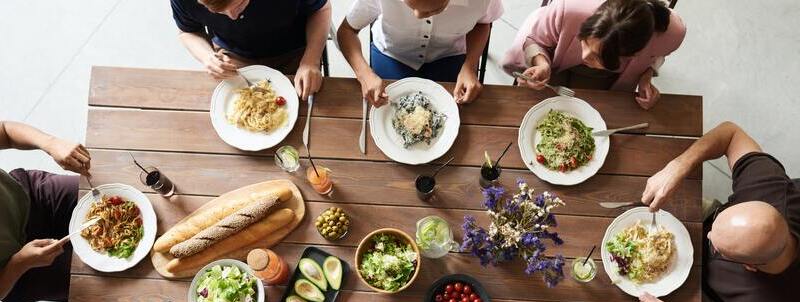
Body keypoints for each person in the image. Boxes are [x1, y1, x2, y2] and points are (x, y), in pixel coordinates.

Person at [637, 121, 800, 302]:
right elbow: (730, 133)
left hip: (709, 294)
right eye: (715, 229)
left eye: (716, 244)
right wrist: (678, 166)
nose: (706, 234)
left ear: (749, 266)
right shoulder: (769, 187)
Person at [503, 0, 685, 109]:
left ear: (632, 55)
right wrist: (541, 63)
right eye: (584, 41)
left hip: (610, 81)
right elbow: (536, 39)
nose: (584, 56)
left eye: (598, 57)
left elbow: (656, 57)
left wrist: (646, 77)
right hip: (555, 59)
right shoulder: (571, 8)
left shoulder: (671, 34)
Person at [337, 0, 504, 107]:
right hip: (391, 54)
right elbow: (347, 31)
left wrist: (470, 66)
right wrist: (364, 74)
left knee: (459, 115)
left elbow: (483, 24)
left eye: (434, 9)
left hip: (449, 56)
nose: (417, 16)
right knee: (381, 113)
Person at [0, 120, 89, 302]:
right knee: (105, 282)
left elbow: (5, 132)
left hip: (30, 195)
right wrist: (20, 263)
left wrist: (50, 143)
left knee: (114, 200)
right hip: (16, 270)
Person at [170, 0, 332, 100]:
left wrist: (311, 60)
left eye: (239, 4)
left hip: (294, 51)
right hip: (233, 56)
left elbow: (321, 9)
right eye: (218, 12)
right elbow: (187, 31)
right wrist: (207, 57)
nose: (232, 16)